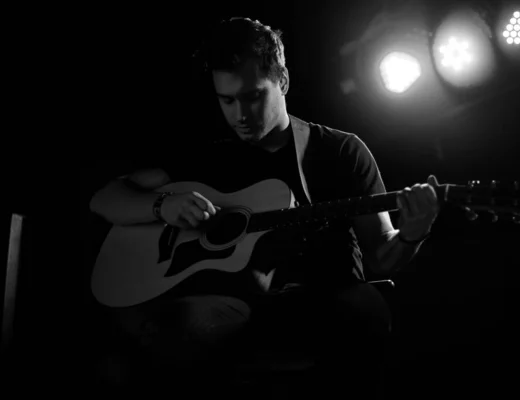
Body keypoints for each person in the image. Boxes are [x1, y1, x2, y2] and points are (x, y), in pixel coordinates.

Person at [89, 17, 440, 398]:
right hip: (232, 308)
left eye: (253, 96)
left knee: (366, 309)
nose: (240, 114)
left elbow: (382, 255)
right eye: (227, 100)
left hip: (321, 307)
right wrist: (163, 205)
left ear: (283, 81)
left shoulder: (339, 152)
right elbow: (106, 198)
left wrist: (412, 233)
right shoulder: (210, 161)